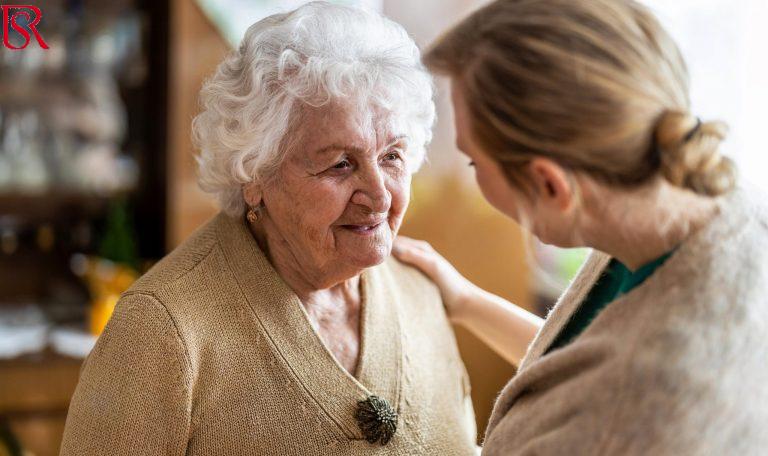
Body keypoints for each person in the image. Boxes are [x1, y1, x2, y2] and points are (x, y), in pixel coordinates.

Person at [60, 3, 478, 454]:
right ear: (255, 176)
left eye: (392, 156)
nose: (379, 197)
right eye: (340, 164)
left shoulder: (420, 289)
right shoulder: (161, 331)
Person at [394, 0, 768, 454]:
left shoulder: (645, 411)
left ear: (549, 184)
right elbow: (587, 362)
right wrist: (466, 300)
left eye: (474, 160)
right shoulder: (699, 205)